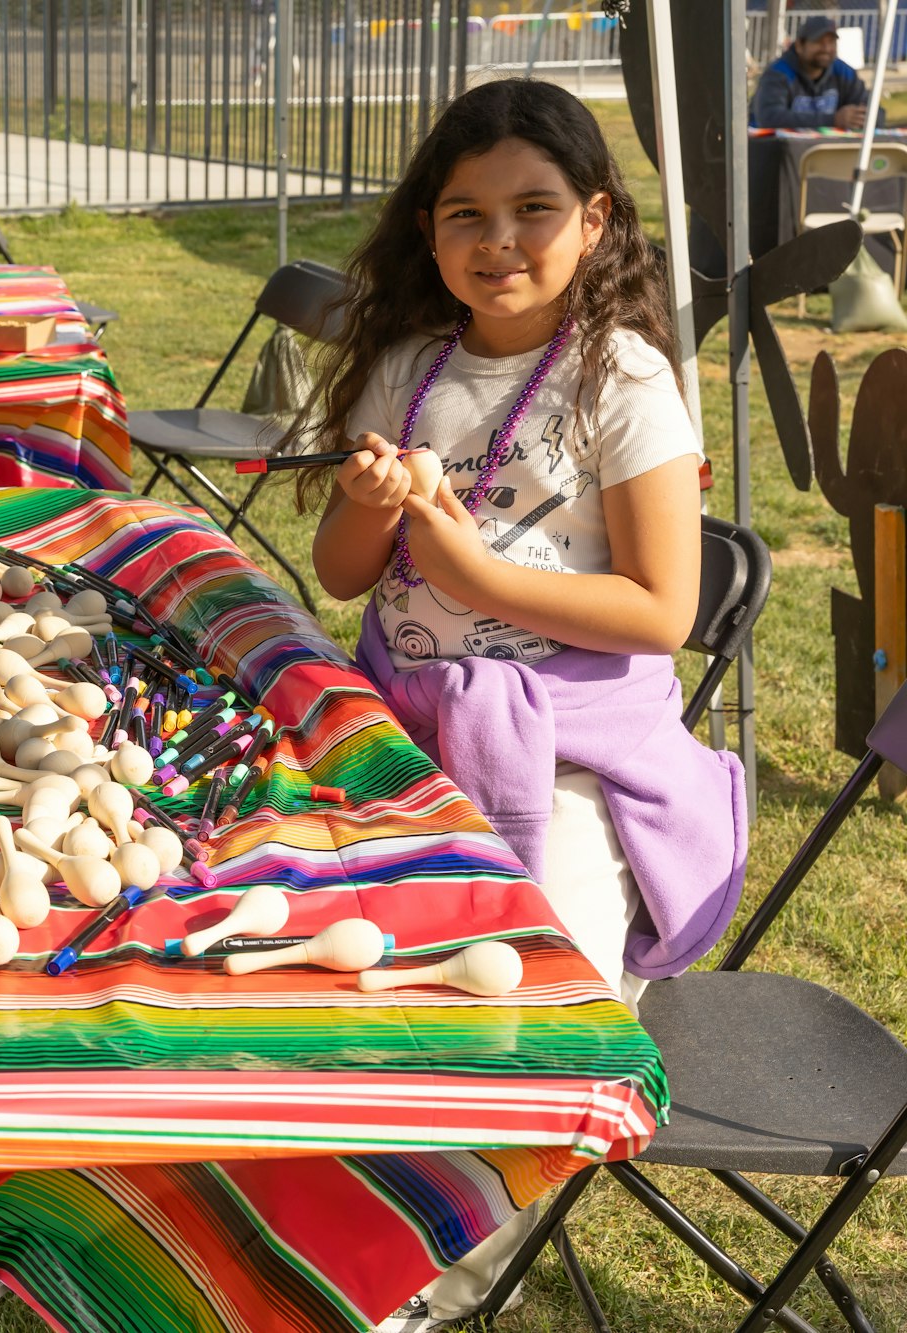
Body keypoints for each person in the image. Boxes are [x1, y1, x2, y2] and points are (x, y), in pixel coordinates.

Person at [293, 80, 747, 1331]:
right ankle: (320, 1231)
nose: (498, 241)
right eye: (465, 214)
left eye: (532, 209)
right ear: (427, 234)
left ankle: (427, 1296)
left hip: (571, 766)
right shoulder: (404, 367)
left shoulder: (622, 376)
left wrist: (472, 574)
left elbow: (663, 607)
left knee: (529, 1024)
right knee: (339, 990)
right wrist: (374, 506)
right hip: (404, 748)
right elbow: (341, 577)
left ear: (593, 221)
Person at [752, 15, 875, 130]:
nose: (826, 49)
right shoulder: (778, 73)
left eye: (831, 42)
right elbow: (770, 118)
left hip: (823, 149)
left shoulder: (844, 72)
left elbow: (875, 112)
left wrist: (859, 118)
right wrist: (833, 120)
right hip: (772, 149)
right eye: (819, 42)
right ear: (799, 45)